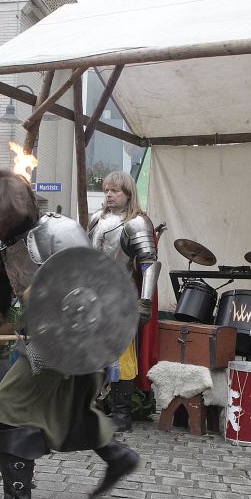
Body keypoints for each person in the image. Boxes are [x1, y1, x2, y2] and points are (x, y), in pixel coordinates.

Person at [0, 169, 140, 499]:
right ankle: (118, 455)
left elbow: (93, 292)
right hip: (47, 339)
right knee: (71, 413)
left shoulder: (60, 233)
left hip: (79, 342)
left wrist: (79, 352)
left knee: (5, 408)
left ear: (10, 210)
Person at [87, 171, 160, 432]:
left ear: (128, 194)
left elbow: (150, 265)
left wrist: (145, 302)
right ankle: (89, 407)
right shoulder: (96, 219)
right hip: (93, 298)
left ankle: (121, 414)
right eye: (106, 190)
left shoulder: (136, 223)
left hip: (122, 300)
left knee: (121, 358)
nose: (109, 195)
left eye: (115, 190)